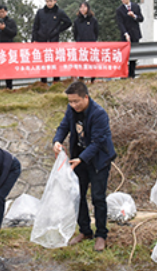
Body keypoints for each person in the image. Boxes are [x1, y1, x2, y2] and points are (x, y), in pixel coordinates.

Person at [52, 81, 117, 252]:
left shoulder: (99, 114)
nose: (73, 105)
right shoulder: (71, 110)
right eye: (70, 102)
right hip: (78, 158)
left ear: (86, 97)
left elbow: (97, 142)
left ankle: (101, 234)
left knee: (98, 197)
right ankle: (85, 231)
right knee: (77, 195)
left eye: (76, 101)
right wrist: (57, 141)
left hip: (98, 160)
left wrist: (81, 158)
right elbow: (64, 126)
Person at [32, 0, 72, 83]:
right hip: (41, 39)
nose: (49, 3)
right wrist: (34, 39)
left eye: (51, 1)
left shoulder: (59, 12)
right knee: (42, 62)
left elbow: (68, 22)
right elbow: (35, 26)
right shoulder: (40, 12)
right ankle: (43, 82)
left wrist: (58, 30)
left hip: (53, 40)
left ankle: (56, 81)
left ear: (55, 1)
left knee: (55, 61)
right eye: (47, 1)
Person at [115, 0, 143, 78]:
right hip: (125, 35)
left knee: (133, 55)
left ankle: (132, 74)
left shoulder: (136, 7)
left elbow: (141, 19)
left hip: (135, 34)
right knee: (124, 56)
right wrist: (125, 33)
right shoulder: (119, 10)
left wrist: (134, 16)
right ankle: (123, 75)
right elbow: (120, 23)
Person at [73, 1, 99, 82]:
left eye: (84, 7)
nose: (82, 9)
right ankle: (81, 78)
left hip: (91, 43)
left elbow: (96, 31)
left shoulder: (93, 20)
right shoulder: (77, 21)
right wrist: (78, 40)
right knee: (81, 62)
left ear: (88, 8)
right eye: (81, 7)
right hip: (80, 44)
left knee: (92, 62)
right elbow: (75, 33)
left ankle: (93, 79)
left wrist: (93, 39)